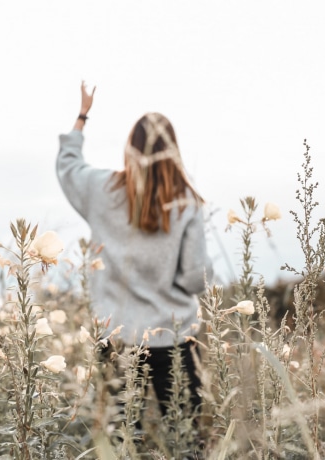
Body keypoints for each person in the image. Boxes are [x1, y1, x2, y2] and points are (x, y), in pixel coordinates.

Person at [56, 82, 213, 417]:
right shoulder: (185, 204)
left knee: (121, 436)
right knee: (186, 437)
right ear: (174, 150)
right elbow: (195, 278)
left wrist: (82, 115)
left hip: (115, 337)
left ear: (130, 147)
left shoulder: (101, 189)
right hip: (174, 337)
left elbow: (68, 165)